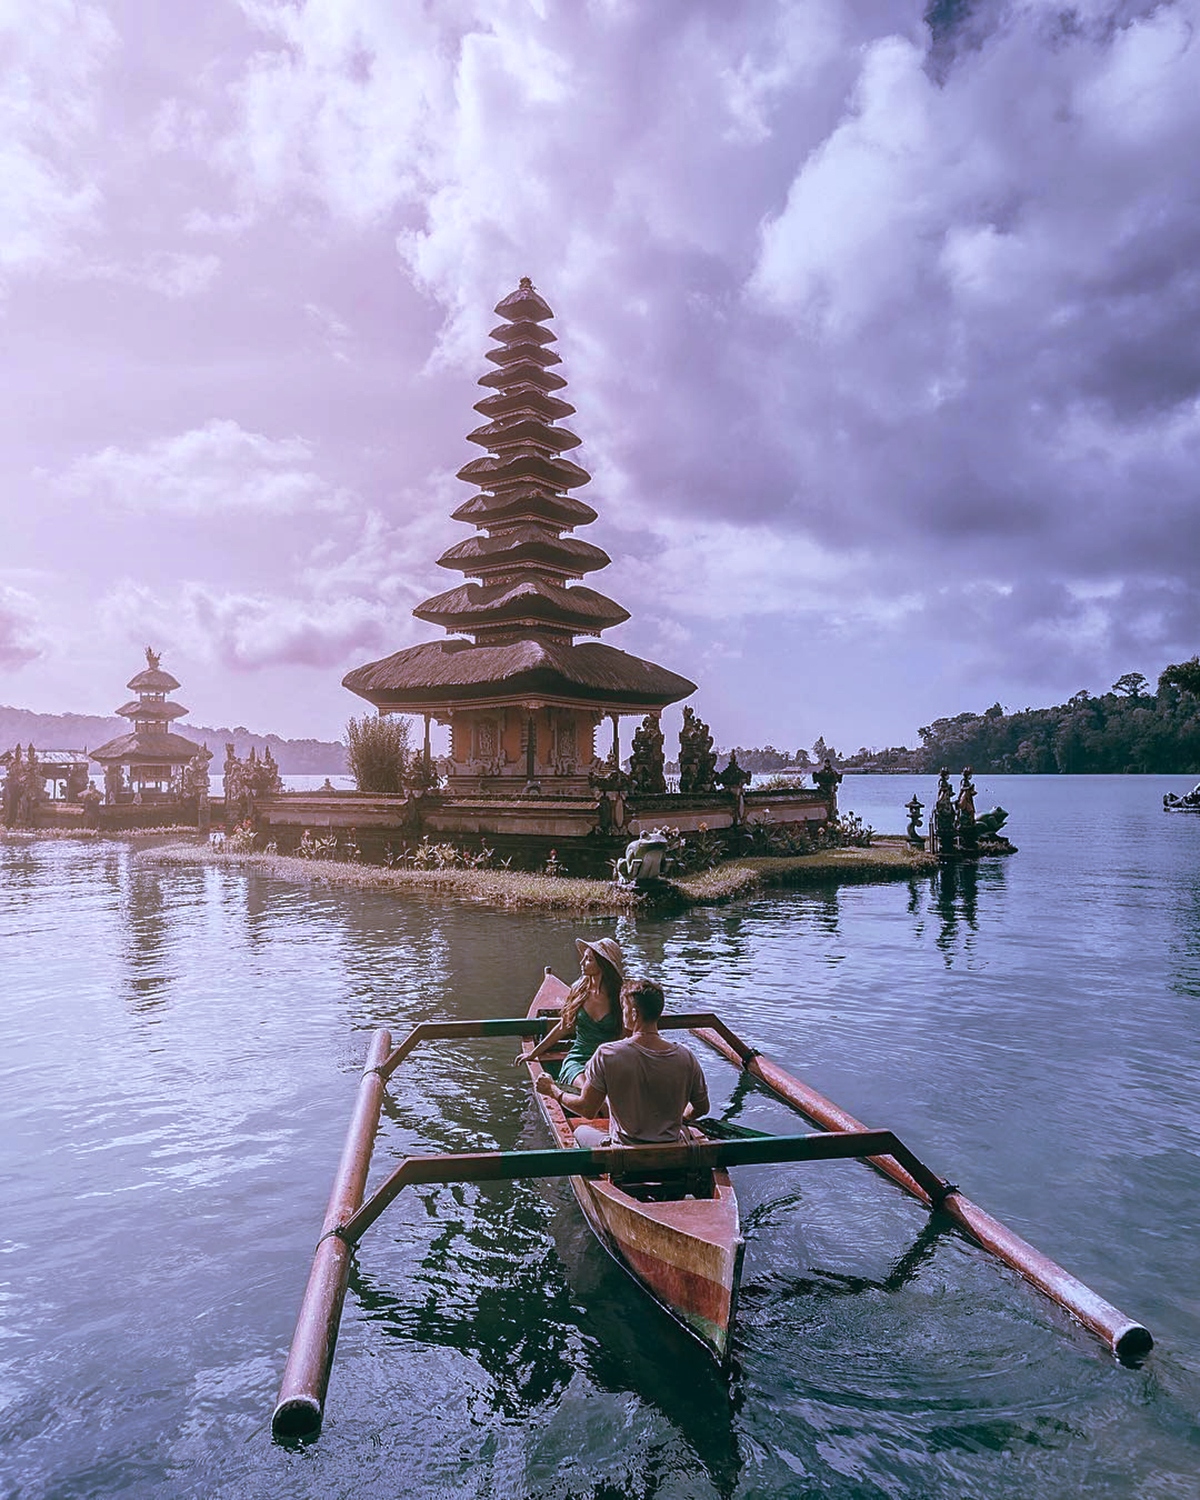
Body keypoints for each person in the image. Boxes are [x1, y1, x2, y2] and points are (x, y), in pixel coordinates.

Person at [536, 978, 709, 1149]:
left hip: (625, 1156)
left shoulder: (607, 1054)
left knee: (580, 1131)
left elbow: (587, 1109)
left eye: (624, 1008)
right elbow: (702, 1108)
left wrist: (553, 1090)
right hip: (672, 1150)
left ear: (634, 1014)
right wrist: (681, 1119)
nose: (622, 1013)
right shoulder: (687, 1057)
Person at [525, 936, 624, 1088]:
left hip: (609, 1060)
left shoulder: (620, 996)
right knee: (589, 1091)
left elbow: (628, 1035)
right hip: (579, 1060)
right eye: (584, 958)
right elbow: (563, 1027)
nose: (582, 962)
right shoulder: (578, 989)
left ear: (603, 965)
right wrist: (533, 1053)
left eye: (589, 959)